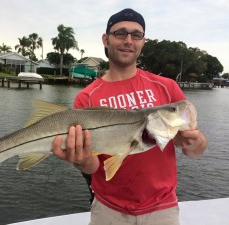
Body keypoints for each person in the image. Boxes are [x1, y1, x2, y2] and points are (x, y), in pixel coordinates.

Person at [52, 8, 207, 225]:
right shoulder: (86, 97)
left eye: (136, 35)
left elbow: (196, 149)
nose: (128, 40)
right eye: (120, 33)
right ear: (106, 39)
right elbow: (94, 167)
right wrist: (83, 160)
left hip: (162, 208)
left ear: (143, 41)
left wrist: (195, 141)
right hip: (107, 210)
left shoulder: (167, 87)